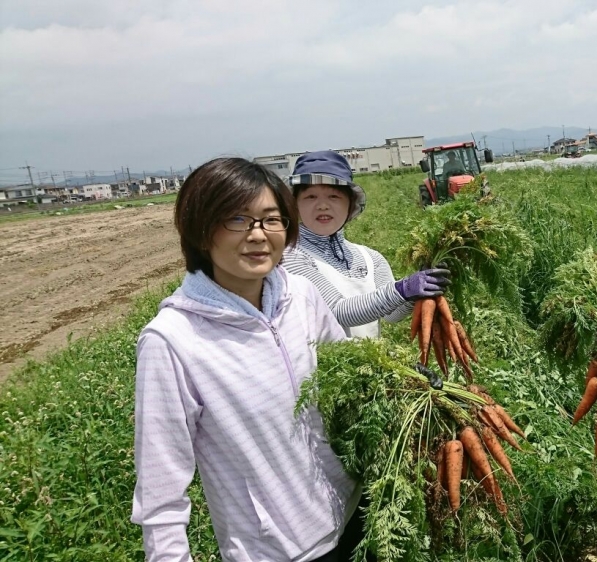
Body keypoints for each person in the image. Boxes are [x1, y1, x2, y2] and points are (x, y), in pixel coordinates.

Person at [131, 157, 360, 561]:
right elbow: (161, 494)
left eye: (272, 220)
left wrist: (404, 383)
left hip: (355, 516)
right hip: (277, 551)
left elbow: (353, 378)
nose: (258, 235)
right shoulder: (172, 340)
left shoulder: (301, 296)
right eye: (237, 220)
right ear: (201, 231)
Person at [281, 150, 450, 338]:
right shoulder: (291, 256)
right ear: (294, 205)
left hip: (369, 364)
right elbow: (338, 312)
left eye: (334, 196)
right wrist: (403, 288)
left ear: (350, 204)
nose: (322, 205)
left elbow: (392, 315)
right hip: (323, 366)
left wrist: (416, 293)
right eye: (311, 197)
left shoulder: (370, 258)